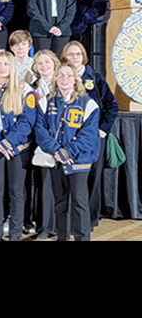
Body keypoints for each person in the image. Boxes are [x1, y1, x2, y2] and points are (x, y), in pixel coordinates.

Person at [34, 63, 100, 241]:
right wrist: (57, 151)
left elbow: (88, 135)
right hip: (56, 160)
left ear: (75, 80)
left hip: (79, 160)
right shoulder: (46, 101)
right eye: (61, 75)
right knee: (60, 202)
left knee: (79, 203)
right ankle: (61, 237)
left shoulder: (88, 104)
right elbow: (40, 131)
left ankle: (82, 238)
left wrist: (68, 152)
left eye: (68, 76)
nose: (64, 79)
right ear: (55, 79)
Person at [60, 40, 118, 229]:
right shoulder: (61, 77)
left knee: (92, 178)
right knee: (68, 180)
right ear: (64, 57)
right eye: (70, 54)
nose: (74, 57)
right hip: (68, 140)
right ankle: (67, 220)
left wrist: (103, 129)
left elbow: (111, 106)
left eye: (77, 54)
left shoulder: (95, 77)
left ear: (83, 56)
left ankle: (90, 220)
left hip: (92, 139)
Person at [0, 51, 36, 241]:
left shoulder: (24, 89)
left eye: (6, 64)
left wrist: (8, 141)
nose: (2, 68)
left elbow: (27, 120)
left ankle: (14, 234)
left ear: (12, 67)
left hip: (17, 148)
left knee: (17, 192)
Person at [30, 49, 60, 239]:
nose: (44, 66)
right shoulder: (31, 88)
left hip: (58, 142)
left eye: (47, 62)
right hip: (36, 141)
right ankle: (42, 224)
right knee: (41, 185)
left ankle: (56, 226)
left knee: (57, 185)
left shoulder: (63, 85)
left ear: (55, 64)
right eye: (40, 63)